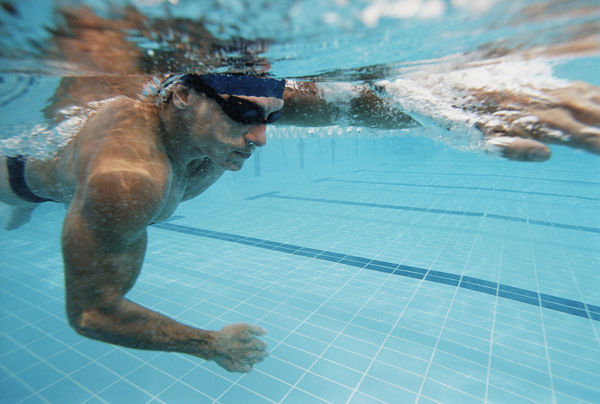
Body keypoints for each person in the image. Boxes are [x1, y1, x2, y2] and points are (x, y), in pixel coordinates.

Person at [1, 5, 599, 374]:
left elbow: (370, 103)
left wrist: (478, 108)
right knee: (34, 190)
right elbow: (91, 311)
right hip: (19, 178)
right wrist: (206, 345)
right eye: (241, 113)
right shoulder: (129, 182)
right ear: (180, 93)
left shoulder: (230, 110)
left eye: (273, 115)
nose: (260, 137)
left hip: (83, 180)